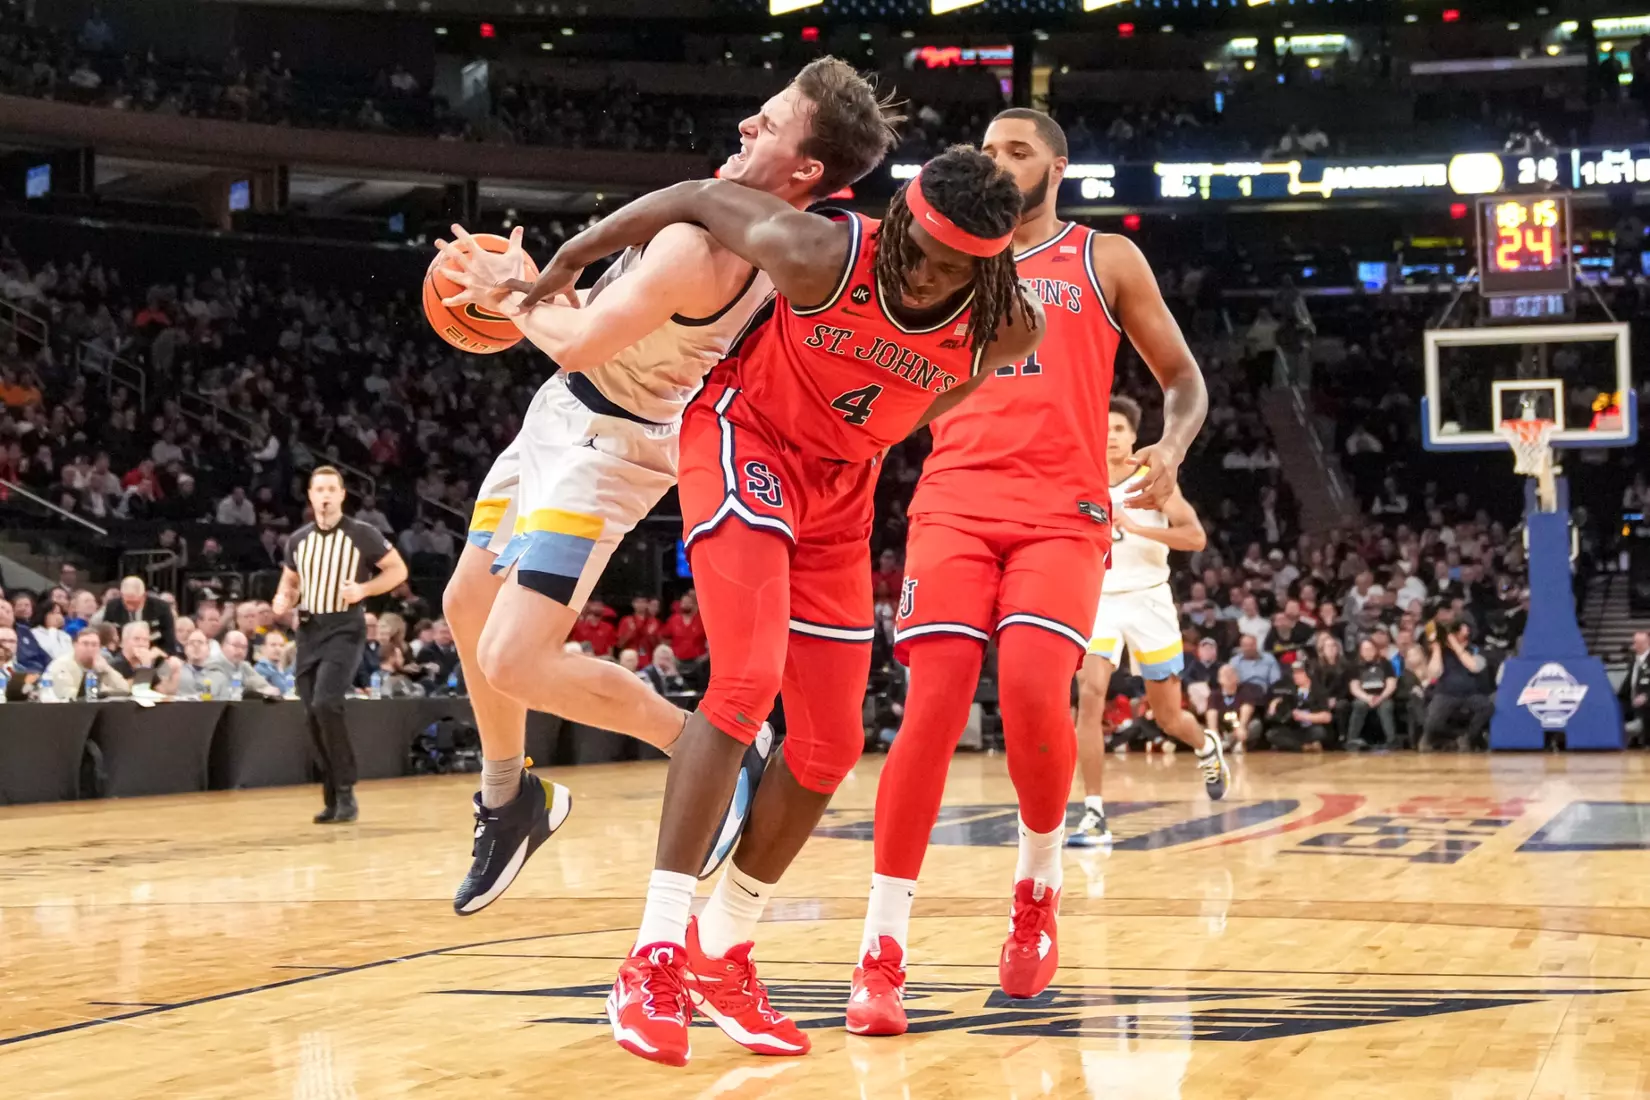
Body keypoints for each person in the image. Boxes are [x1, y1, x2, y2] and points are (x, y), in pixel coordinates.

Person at [516, 137, 1042, 1061]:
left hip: (842, 489)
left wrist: (866, 430)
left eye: (950, 270)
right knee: (746, 680)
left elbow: (928, 401)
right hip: (742, 436)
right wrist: (569, 261)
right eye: (915, 253)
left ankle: (725, 944)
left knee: (832, 741)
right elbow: (689, 193)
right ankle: (654, 955)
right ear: (902, 222)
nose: (923, 280)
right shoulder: (816, 249)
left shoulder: (1009, 327)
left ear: (987, 268)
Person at [431, 59, 890, 920]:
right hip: (558, 421)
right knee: (465, 605)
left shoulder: (708, 246)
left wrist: (510, 297)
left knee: (512, 657)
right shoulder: (756, 215)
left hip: (606, 449)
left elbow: (582, 344)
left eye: (771, 121)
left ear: (805, 171)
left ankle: (705, 748)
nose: (749, 125)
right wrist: (561, 273)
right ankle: (509, 800)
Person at [852, 107, 1211, 1034]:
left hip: (1062, 513)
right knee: (929, 709)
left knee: (1029, 695)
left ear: (1058, 165)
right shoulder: (947, 256)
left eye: (1017, 151)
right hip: (954, 503)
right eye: (988, 151)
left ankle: (1037, 890)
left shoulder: (1107, 260)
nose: (999, 164)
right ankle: (881, 950)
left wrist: (1172, 446)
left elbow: (1181, 376)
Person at [1067, 397, 1224, 850]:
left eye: (1119, 427)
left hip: (1149, 598)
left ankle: (1206, 746)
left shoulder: (1151, 479)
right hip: (1097, 600)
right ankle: (1094, 814)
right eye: (1104, 426)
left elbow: (1195, 537)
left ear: (1133, 436)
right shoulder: (1079, 478)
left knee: (1168, 716)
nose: (1111, 434)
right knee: (1090, 696)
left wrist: (1136, 529)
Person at [271, 467, 408, 824]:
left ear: (343, 495)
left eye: (332, 489)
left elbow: (397, 570)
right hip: (309, 630)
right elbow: (290, 580)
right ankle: (332, 795)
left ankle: (346, 790)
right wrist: (282, 599)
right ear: (311, 496)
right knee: (310, 714)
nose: (326, 496)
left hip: (345, 627)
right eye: (320, 490)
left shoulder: (362, 533)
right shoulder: (298, 539)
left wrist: (363, 590)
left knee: (327, 703)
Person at [1421, 620, 1494, 751]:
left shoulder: (1475, 649)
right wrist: (1437, 649)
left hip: (1470, 693)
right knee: (1432, 723)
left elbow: (1474, 667)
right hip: (1445, 693)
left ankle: (1469, 736)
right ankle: (1453, 737)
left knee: (1487, 707)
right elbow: (1434, 674)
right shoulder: (1442, 651)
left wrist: (1455, 645)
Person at [1262, 661, 1333, 751]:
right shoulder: (1289, 691)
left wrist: (1305, 716)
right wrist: (1274, 706)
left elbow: (1327, 717)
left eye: (1299, 673)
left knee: (1320, 732)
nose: (1295, 676)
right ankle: (1304, 747)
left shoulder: (1318, 691)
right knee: (1271, 734)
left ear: (1308, 674)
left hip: (1311, 727)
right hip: (1294, 728)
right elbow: (1278, 714)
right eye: (1294, 673)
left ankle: (1294, 745)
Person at [97, 576, 177, 654]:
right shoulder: (112, 607)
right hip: (121, 656)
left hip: (154, 654)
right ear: (122, 596)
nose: (130, 607)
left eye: (134, 602)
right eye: (127, 602)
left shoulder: (162, 608)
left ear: (144, 596)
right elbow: (106, 639)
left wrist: (156, 654)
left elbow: (169, 642)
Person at [45, 628, 131, 700]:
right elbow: (68, 695)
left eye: (94, 645)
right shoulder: (61, 665)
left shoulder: (101, 665)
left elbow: (125, 690)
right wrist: (104, 691)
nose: (90, 648)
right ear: (75, 645)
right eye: (85, 644)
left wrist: (107, 670)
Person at [1346, 636, 1398, 749]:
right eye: (1364, 649)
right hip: (1364, 697)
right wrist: (1367, 698)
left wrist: (1381, 697)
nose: (1367, 652)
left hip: (1383, 696)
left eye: (1370, 649)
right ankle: (1351, 740)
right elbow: (1354, 688)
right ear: (1360, 651)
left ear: (1375, 650)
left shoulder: (1385, 663)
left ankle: (1391, 740)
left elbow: (1391, 684)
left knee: (1386, 707)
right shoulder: (1355, 665)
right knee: (1358, 705)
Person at [1205, 664, 1258, 751]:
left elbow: (1247, 708)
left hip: (1240, 727)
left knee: (1255, 725)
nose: (1228, 677)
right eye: (1225, 675)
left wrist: (1241, 727)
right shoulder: (1214, 694)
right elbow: (1211, 713)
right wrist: (1213, 731)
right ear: (1219, 679)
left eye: (1231, 674)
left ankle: (1232, 744)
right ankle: (1224, 743)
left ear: (1237, 677)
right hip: (1222, 729)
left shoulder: (1245, 692)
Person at [1621, 631, 1650, 745]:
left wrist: (1646, 696)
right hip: (1633, 706)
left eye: (1638, 642)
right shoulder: (1634, 660)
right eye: (1635, 642)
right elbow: (1629, 683)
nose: (1635, 645)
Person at [256, 630, 295, 695]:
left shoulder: (288, 671)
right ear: (263, 648)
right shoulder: (260, 670)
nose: (278, 648)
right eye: (273, 645)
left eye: (281, 645)